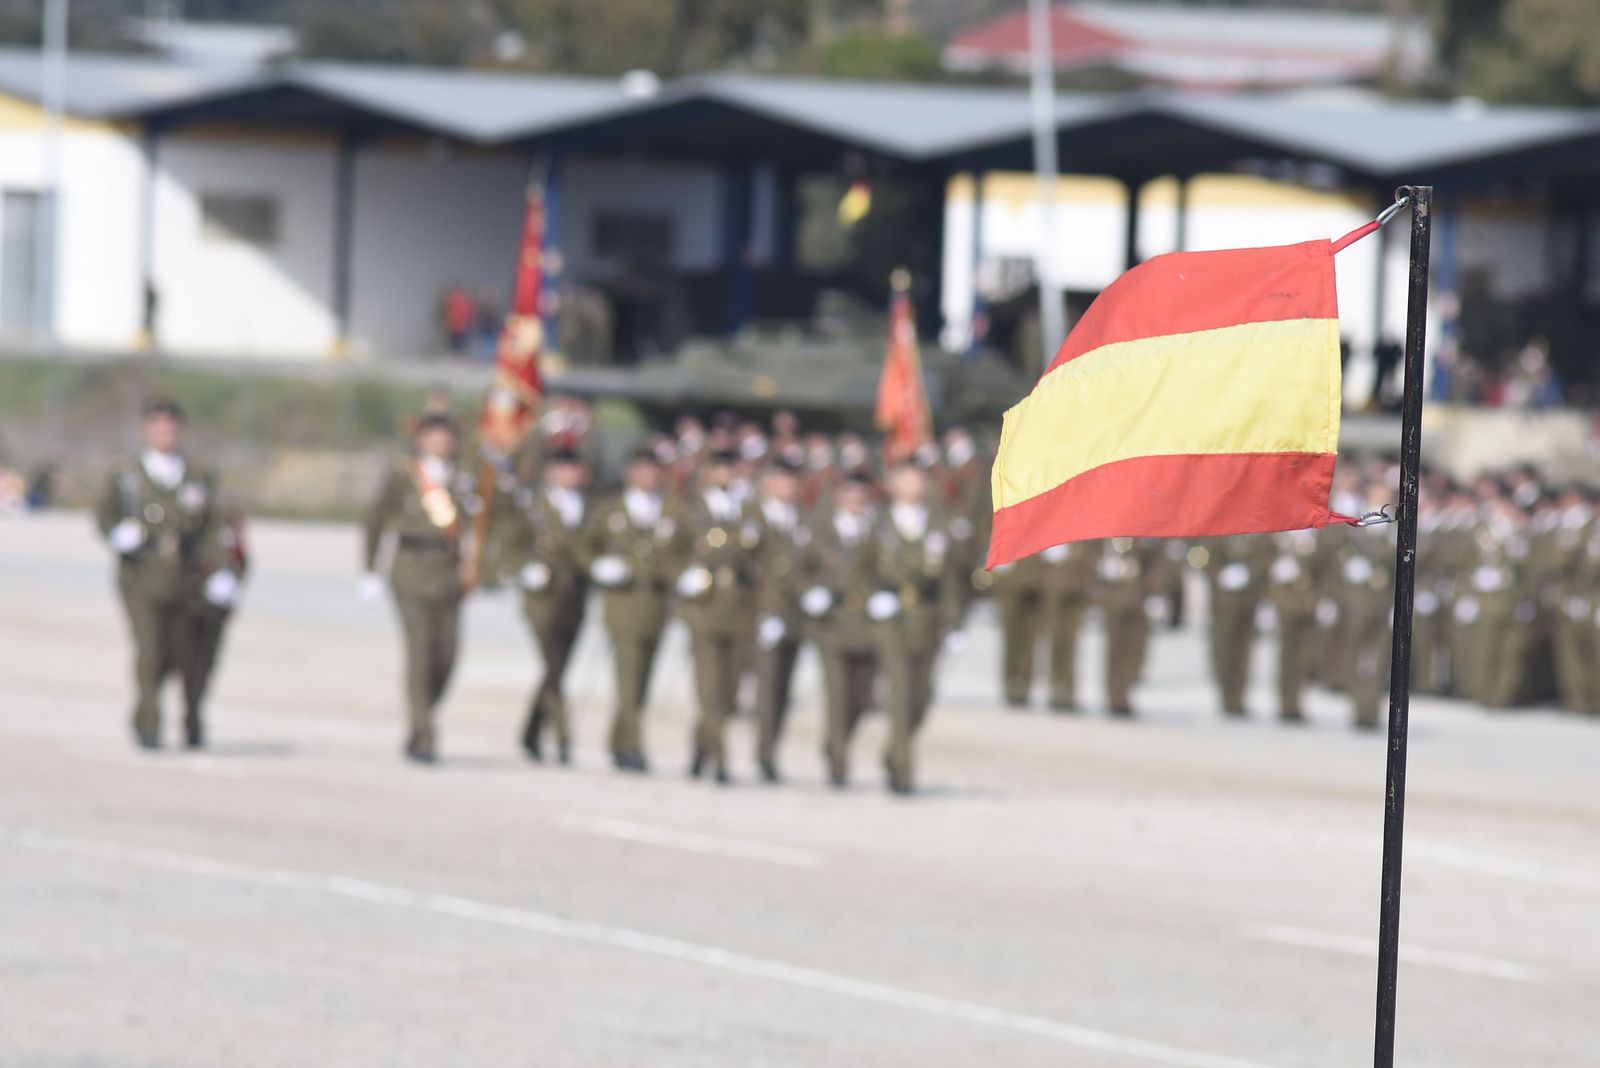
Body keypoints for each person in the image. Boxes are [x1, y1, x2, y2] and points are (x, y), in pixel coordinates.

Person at [95, 397, 223, 749]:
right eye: (159, 426)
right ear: (146, 430)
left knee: (179, 654)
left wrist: (221, 570)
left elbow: (212, 526)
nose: (166, 433)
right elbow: (104, 516)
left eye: (172, 427)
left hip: (185, 576)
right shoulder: (126, 475)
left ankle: (165, 716)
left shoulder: (199, 475)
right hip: (140, 575)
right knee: (149, 650)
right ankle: (149, 725)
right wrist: (117, 534)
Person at [361, 412, 469, 763]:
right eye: (433, 435)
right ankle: (423, 732)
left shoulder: (466, 476)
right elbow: (375, 519)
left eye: (445, 435)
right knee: (420, 651)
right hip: (410, 569)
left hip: (448, 572)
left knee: (447, 655)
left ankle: (421, 714)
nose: (440, 442)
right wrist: (369, 569)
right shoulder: (404, 475)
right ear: (420, 439)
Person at [588, 448, 688, 772]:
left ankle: (618, 739)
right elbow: (585, 544)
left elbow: (687, 547)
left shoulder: (672, 510)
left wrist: (684, 577)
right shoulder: (611, 509)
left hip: (656, 604)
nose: (648, 477)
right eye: (641, 470)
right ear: (630, 473)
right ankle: (632, 746)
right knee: (628, 678)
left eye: (653, 470)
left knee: (641, 679)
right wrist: (597, 565)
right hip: (623, 603)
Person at [869, 459, 962, 794]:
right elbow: (859, 568)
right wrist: (871, 597)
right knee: (900, 692)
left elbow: (950, 577)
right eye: (905, 479)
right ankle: (904, 771)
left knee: (921, 697)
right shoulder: (877, 521)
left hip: (927, 617)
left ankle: (893, 750)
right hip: (891, 620)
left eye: (918, 480)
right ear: (893, 483)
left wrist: (954, 622)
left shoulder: (938, 521)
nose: (912, 486)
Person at [503, 442, 594, 765]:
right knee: (553, 665)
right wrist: (523, 569)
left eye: (574, 467)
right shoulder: (535, 506)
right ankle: (563, 735)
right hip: (542, 597)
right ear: (551, 472)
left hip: (575, 596)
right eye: (563, 466)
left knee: (557, 667)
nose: (569, 474)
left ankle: (530, 732)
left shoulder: (590, 508)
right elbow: (510, 543)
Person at [678, 448, 760, 784]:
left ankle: (701, 746)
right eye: (719, 467)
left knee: (727, 693)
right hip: (704, 610)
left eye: (731, 467)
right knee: (709, 689)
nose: (726, 473)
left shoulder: (748, 509)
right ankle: (720, 760)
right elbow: (673, 550)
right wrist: (684, 576)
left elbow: (762, 555)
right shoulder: (692, 510)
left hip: (739, 610)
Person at [804, 471, 880, 787]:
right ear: (837, 498)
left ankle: (837, 742)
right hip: (832, 623)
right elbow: (800, 567)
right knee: (836, 694)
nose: (855, 503)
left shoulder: (878, 530)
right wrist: (810, 591)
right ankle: (838, 762)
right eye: (850, 496)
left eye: (861, 497)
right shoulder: (819, 528)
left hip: (867, 623)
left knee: (861, 698)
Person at [751, 459, 813, 783]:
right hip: (754, 618)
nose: (786, 486)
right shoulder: (751, 516)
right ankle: (710, 748)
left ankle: (768, 753)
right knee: (755, 689)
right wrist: (761, 612)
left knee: (781, 691)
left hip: (793, 619)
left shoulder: (804, 519)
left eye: (791, 480)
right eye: (779, 479)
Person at [183, 509, 249, 747]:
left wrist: (232, 582)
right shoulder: (189, 521)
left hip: (215, 611)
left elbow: (241, 561)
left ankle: (192, 720)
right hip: (187, 606)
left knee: (204, 667)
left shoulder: (229, 530)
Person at [1204, 535, 1273, 718]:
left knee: (1244, 653)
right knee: (1224, 651)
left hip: (1249, 601)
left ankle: (1238, 699)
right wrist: (1221, 576)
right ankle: (1226, 697)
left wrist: (1252, 575)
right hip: (1225, 604)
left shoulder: (1260, 537)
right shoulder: (1219, 536)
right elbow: (1207, 561)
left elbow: (1266, 563)